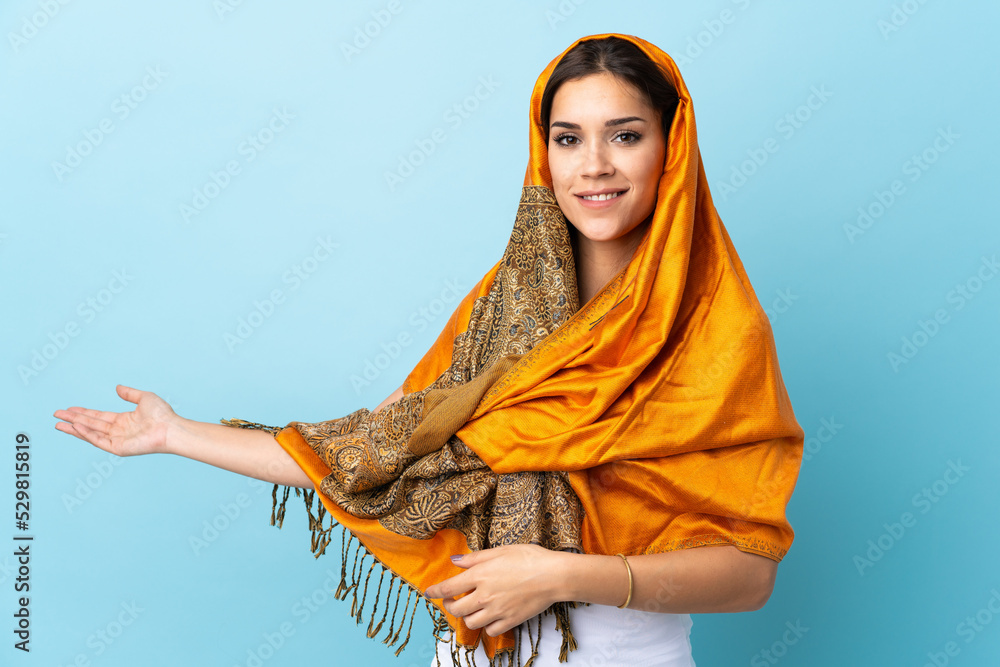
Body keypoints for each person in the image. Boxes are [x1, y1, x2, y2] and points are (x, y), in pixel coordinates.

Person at [55, 33, 804, 667]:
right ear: (544, 153)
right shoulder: (499, 308)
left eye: (626, 134)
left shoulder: (719, 331)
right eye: (568, 137)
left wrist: (560, 575)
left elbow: (750, 575)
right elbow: (376, 451)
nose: (594, 165)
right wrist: (173, 433)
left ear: (672, 147)